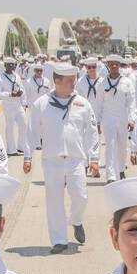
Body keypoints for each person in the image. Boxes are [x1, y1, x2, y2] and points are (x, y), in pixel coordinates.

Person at [23, 62, 98, 253]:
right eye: (70, 81)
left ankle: (76, 220)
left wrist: (94, 157)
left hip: (75, 159)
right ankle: (59, 240)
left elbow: (92, 132)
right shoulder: (42, 104)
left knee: (81, 196)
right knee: (54, 200)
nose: (74, 84)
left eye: (74, 80)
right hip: (52, 159)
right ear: (57, 81)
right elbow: (31, 131)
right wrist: (28, 156)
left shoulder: (82, 103)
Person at [97, 55, 137, 182]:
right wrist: (97, 122)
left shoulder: (127, 82)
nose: (114, 66)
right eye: (111, 64)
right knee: (110, 145)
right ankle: (111, 176)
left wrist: (132, 118)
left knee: (122, 146)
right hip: (108, 118)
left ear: (119, 65)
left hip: (123, 117)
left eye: (116, 64)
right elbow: (99, 104)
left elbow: (132, 103)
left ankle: (120, 170)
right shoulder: (102, 83)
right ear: (108, 65)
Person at [0, 57, 28, 156]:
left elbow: (22, 88)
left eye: (13, 64)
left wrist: (23, 101)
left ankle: (21, 147)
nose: (11, 66)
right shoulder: (0, 78)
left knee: (23, 125)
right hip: (8, 105)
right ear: (5, 66)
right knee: (10, 127)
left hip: (18, 104)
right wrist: (9, 94)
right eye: (9, 64)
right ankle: (11, 149)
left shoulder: (16, 76)